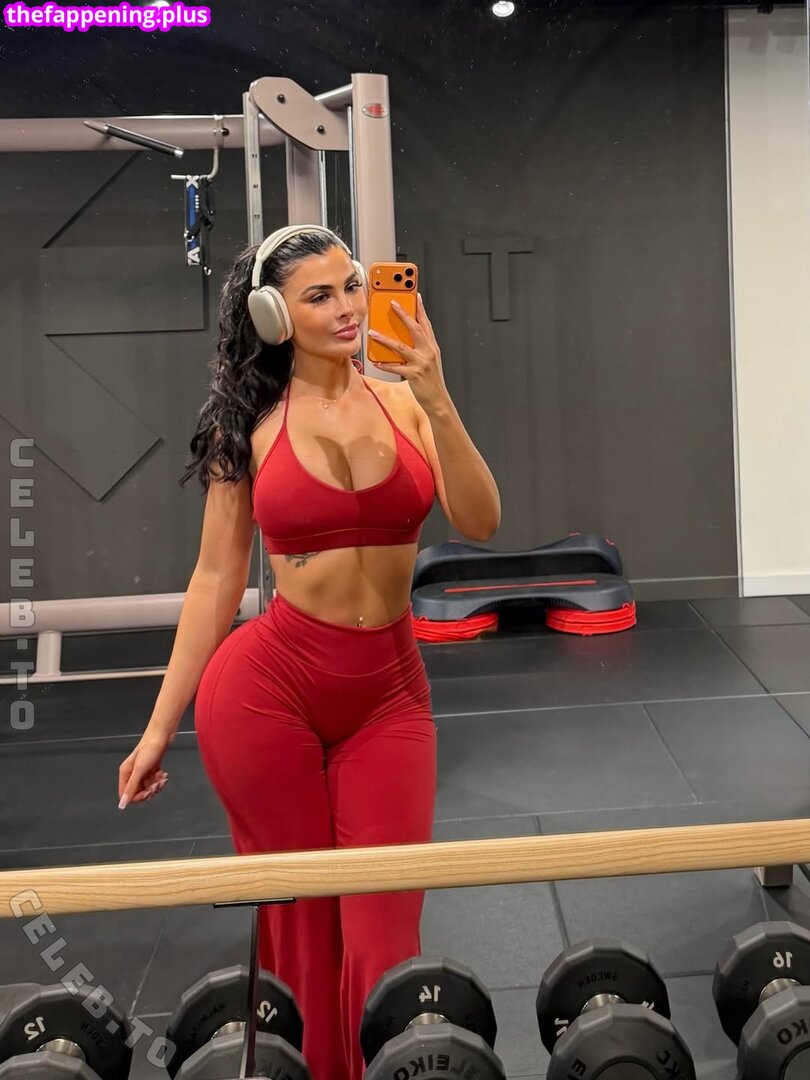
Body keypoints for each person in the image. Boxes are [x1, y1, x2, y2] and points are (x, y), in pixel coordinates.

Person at [117, 224, 501, 1080]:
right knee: (300, 930)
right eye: (319, 296)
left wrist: (438, 396)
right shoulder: (247, 426)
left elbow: (481, 521)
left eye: (352, 286)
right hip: (268, 693)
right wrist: (157, 729)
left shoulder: (406, 403)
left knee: (385, 935)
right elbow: (216, 579)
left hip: (390, 693)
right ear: (273, 314)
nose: (347, 308)